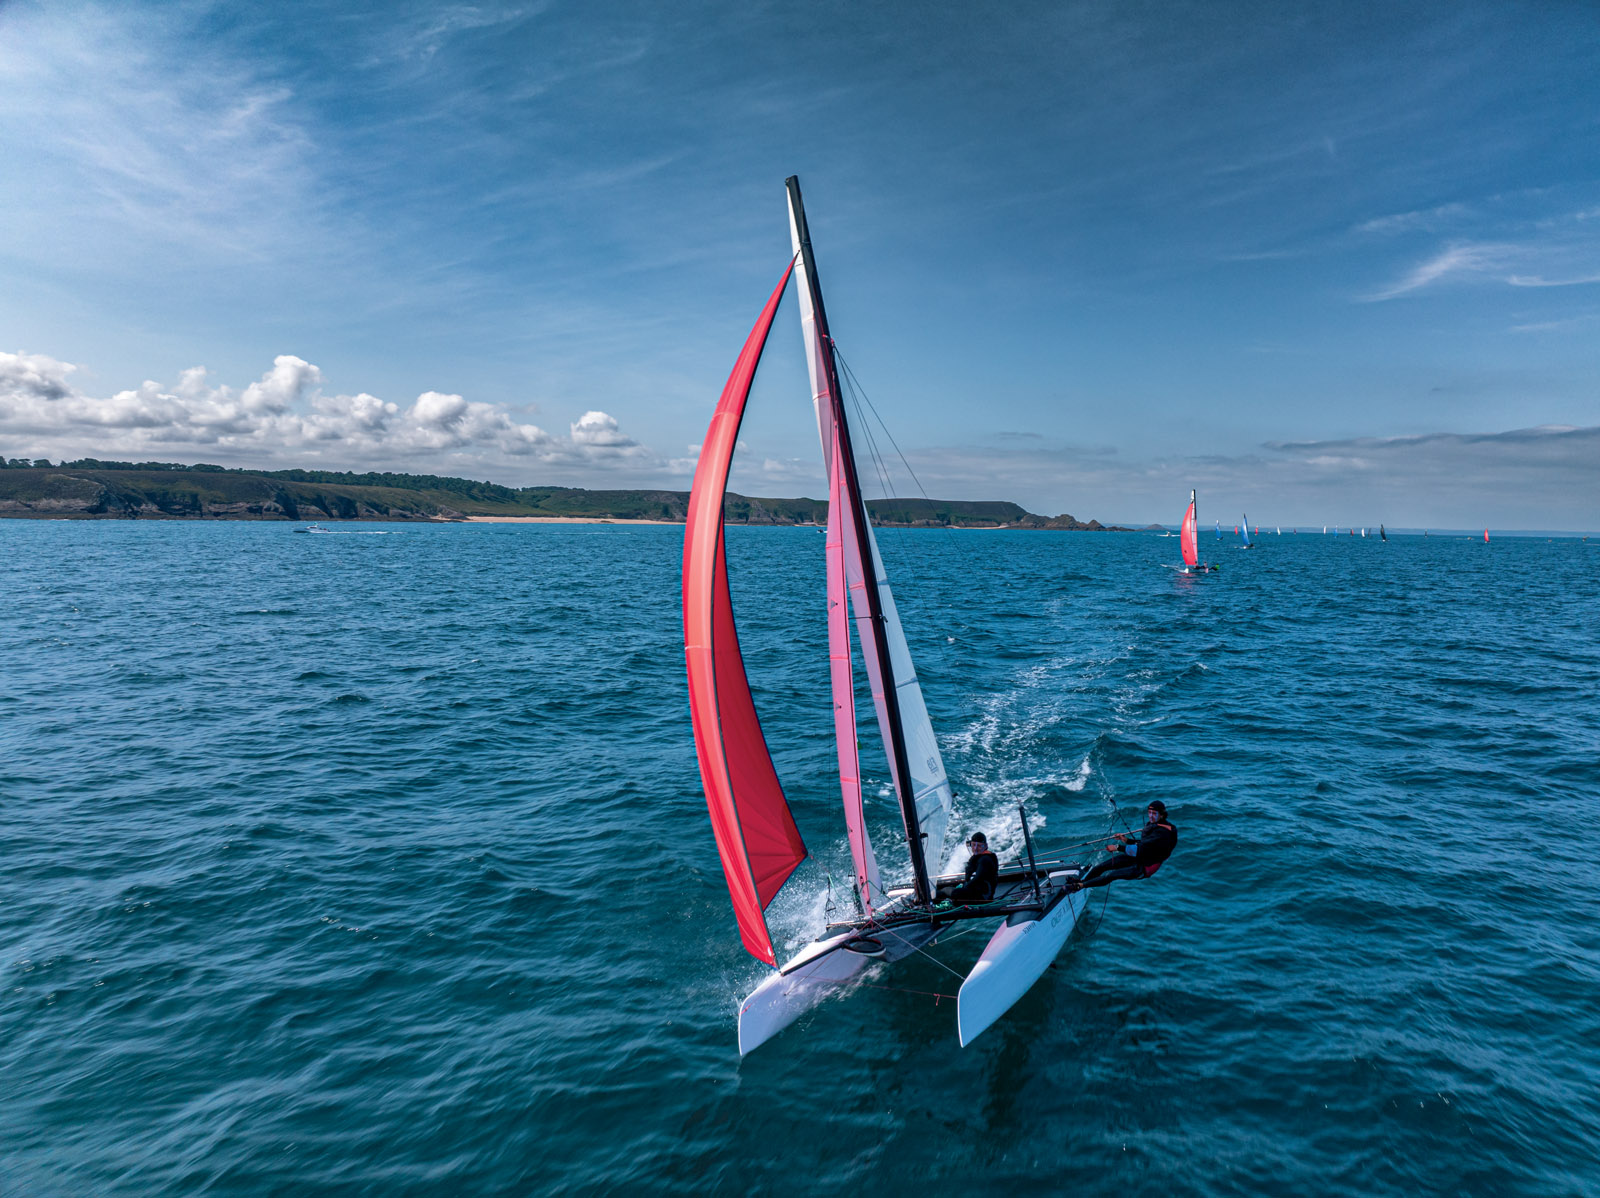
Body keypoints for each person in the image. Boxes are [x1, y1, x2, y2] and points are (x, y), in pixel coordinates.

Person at [1067, 801, 1177, 891]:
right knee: (1101, 867)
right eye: (1149, 813)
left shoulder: (1162, 832)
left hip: (1144, 867)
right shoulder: (1155, 825)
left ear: (1162, 815)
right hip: (1139, 856)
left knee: (1111, 875)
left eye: (1154, 813)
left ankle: (1079, 886)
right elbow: (1145, 845)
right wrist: (1126, 840)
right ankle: (1081, 881)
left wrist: (1117, 848)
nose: (1151, 816)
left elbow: (1140, 850)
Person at [949, 832, 998, 901]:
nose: (975, 848)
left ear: (986, 846)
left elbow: (977, 878)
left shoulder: (985, 860)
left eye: (979, 846)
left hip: (983, 896)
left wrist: (964, 888)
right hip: (975, 890)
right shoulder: (976, 858)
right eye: (973, 845)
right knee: (946, 890)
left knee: (955, 893)